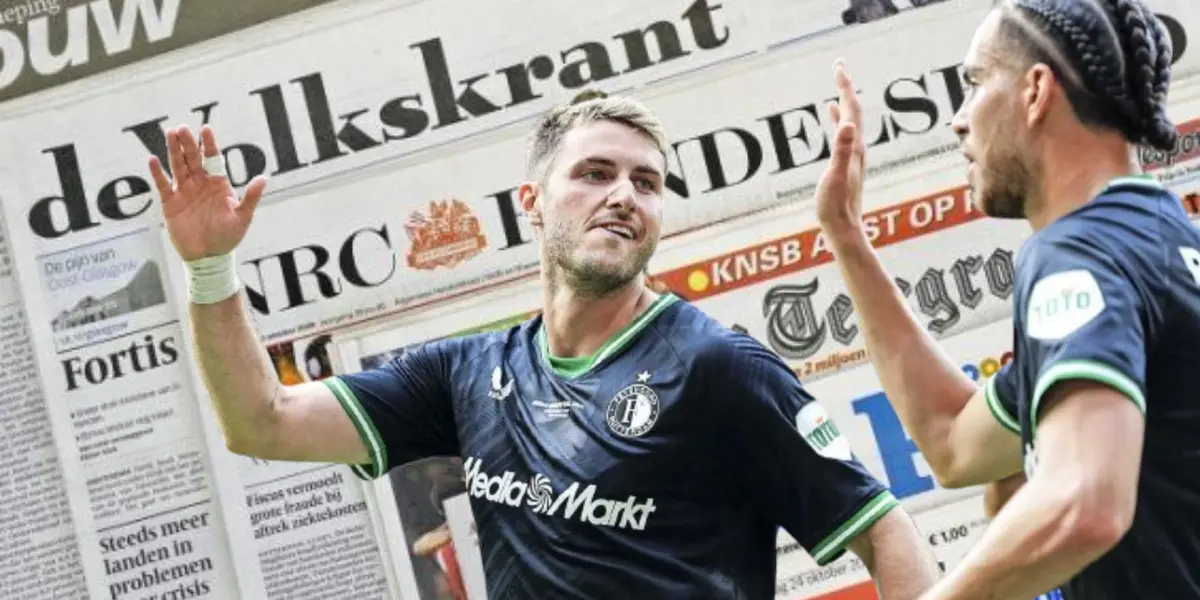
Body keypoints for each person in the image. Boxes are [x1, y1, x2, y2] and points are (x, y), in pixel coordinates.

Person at [148, 89, 941, 598]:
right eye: (594, 173)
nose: (624, 197)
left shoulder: (716, 367)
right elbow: (263, 422)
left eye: (647, 182)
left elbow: (885, 531)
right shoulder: (469, 372)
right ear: (532, 201)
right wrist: (211, 268)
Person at [813, 0, 1200, 597]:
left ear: (1035, 91)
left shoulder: (1081, 251)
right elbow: (952, 441)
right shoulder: (1160, 239)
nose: (959, 120)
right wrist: (846, 236)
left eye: (974, 83)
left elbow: (1084, 504)